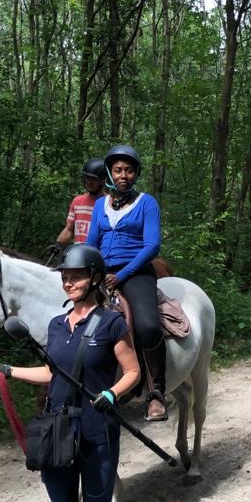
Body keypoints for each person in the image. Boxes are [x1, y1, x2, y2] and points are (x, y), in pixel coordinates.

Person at [0, 243, 144, 502]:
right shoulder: (58, 325)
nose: (68, 282)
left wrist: (113, 392)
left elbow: (132, 372)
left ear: (93, 278)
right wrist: (7, 370)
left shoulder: (111, 324)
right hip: (58, 431)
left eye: (75, 276)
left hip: (96, 431)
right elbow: (52, 372)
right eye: (64, 276)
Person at [86, 145, 168, 421]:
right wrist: (88, 271)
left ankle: (156, 392)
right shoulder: (100, 206)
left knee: (147, 325)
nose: (124, 175)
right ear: (109, 173)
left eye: (129, 170)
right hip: (102, 273)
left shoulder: (147, 203)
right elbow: (91, 244)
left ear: (136, 174)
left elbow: (152, 246)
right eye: (118, 170)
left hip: (136, 272)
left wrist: (120, 276)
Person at [50, 159, 106, 255]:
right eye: (87, 178)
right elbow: (69, 229)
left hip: (98, 256)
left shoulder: (108, 203)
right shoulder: (77, 201)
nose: (89, 182)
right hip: (78, 255)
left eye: (94, 179)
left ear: (102, 181)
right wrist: (58, 244)